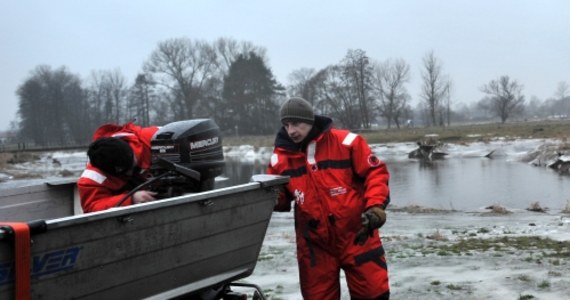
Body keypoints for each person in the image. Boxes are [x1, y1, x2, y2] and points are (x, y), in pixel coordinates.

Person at [266, 97, 391, 300]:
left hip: (357, 235)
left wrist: (375, 207)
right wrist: (258, 199)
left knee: (373, 295)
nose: (291, 131)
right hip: (315, 248)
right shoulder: (280, 159)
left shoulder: (347, 143)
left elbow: (375, 173)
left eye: (296, 124)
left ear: (310, 121)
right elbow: (278, 199)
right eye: (286, 125)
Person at [77, 122, 159, 213]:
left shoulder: (152, 137)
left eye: (133, 163)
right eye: (127, 170)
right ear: (110, 172)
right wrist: (130, 199)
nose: (131, 172)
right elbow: (92, 207)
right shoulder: (92, 178)